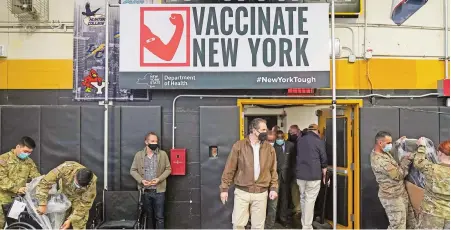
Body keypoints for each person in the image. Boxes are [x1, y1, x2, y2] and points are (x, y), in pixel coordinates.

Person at [220, 118, 278, 230]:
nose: (266, 132)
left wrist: (274, 188)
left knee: (258, 226)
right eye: (263, 129)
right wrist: (224, 189)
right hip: (242, 192)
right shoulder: (239, 146)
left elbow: (273, 170)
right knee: (238, 224)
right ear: (253, 130)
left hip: (261, 193)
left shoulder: (269, 149)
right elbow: (230, 168)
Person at [370, 132, 416, 229]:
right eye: (388, 143)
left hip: (400, 193)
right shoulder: (379, 161)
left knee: (409, 223)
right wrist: (407, 160)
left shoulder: (382, 152)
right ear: (380, 143)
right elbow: (399, 175)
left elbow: (391, 150)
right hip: (392, 198)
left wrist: (398, 143)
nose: (390, 145)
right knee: (398, 226)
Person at [36, 161, 97, 230]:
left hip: (79, 198)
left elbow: (84, 205)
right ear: (75, 175)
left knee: (79, 223)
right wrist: (42, 203)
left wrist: (70, 220)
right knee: (58, 221)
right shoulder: (66, 168)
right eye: (77, 183)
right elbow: (44, 183)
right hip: (64, 195)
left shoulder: (91, 184)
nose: (77, 186)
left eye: (80, 186)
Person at [130, 132, 171, 229]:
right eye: (152, 141)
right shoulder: (139, 155)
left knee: (159, 217)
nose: (155, 143)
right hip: (145, 192)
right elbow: (132, 170)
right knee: (148, 218)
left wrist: (159, 179)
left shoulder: (163, 154)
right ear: (146, 142)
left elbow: (168, 169)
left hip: (159, 191)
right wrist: (141, 181)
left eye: (156, 141)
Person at [0, 136, 40, 228]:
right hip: (3, 199)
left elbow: (36, 176)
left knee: (15, 225)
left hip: (18, 200)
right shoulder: (3, 159)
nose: (27, 154)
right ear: (18, 147)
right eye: (25, 151)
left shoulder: (29, 162)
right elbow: (2, 178)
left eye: (30, 152)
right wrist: (17, 188)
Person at [295, 124, 327, 229]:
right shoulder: (319, 141)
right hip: (313, 176)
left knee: (303, 198)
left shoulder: (300, 140)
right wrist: (324, 174)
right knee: (310, 201)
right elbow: (323, 159)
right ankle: (307, 226)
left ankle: (304, 223)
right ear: (317, 131)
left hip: (300, 176)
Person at [414, 138, 450, 229]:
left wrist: (421, 146)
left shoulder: (430, 168)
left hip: (431, 215)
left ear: (440, 153)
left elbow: (418, 162)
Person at [265, 131, 296, 228]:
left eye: (281, 137)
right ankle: (271, 222)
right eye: (277, 138)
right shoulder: (271, 147)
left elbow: (293, 161)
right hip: (274, 177)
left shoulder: (291, 145)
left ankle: (283, 219)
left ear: (284, 137)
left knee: (284, 199)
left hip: (286, 177)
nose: (279, 139)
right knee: (273, 201)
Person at [287, 125, 302, 217]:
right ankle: (298, 209)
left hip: (302, 169)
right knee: (295, 189)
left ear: (298, 131)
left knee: (301, 190)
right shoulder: (290, 142)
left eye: (294, 133)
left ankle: (300, 209)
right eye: (291, 133)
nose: (292, 135)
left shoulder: (303, 141)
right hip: (293, 169)